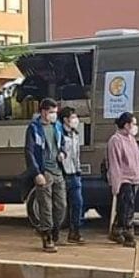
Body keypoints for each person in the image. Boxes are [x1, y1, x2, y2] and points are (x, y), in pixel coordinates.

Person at [106, 112, 139, 247]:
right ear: (126, 125)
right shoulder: (115, 140)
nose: (136, 127)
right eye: (134, 124)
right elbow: (115, 164)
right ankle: (128, 234)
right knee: (128, 207)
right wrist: (116, 183)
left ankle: (116, 230)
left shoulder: (131, 139)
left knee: (124, 207)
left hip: (134, 178)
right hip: (124, 179)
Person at [25, 98, 67, 252]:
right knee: (46, 206)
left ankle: (54, 231)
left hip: (58, 171)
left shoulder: (57, 126)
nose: (53, 115)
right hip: (44, 172)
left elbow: (62, 143)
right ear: (43, 112)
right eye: (51, 112)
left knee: (61, 205)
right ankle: (47, 235)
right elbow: (29, 152)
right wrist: (36, 172)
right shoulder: (34, 128)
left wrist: (63, 153)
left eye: (55, 113)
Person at [58, 105, 85, 244]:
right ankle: (53, 233)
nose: (76, 120)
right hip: (62, 174)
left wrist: (78, 169)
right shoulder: (58, 134)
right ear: (65, 120)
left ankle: (75, 231)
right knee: (60, 206)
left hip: (74, 173)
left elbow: (76, 155)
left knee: (78, 203)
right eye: (73, 117)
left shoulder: (75, 134)